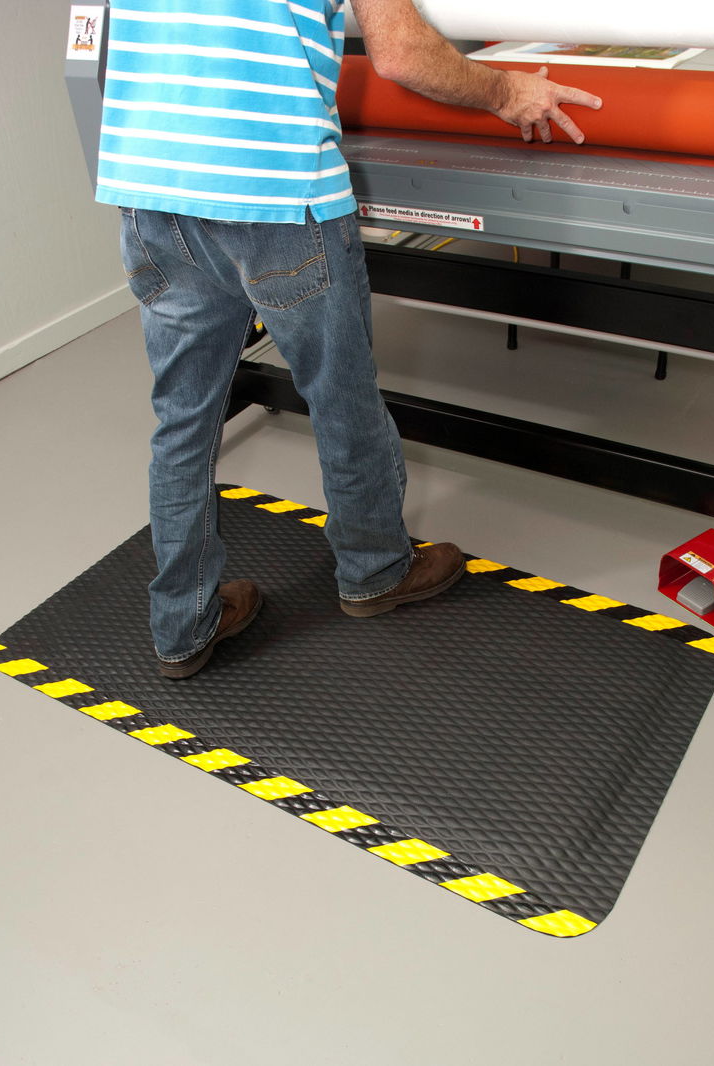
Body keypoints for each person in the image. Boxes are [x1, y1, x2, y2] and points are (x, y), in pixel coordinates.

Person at [95, 0, 602, 679]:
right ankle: (376, 570)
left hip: (149, 190)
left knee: (182, 419)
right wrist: (508, 91)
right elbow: (400, 53)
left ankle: (181, 624)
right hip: (277, 194)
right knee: (341, 398)